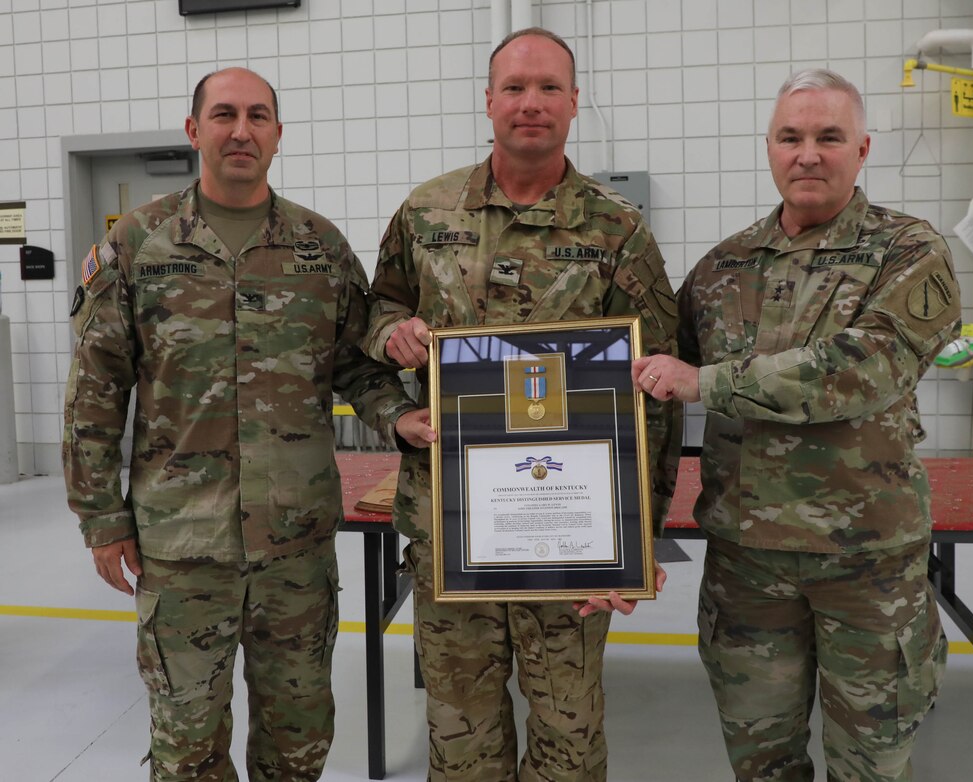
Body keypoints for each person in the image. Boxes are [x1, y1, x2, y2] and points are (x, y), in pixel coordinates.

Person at [62, 67, 414, 781]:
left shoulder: (320, 248)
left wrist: (400, 416)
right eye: (224, 114)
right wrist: (102, 519)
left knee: (299, 743)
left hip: (297, 550)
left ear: (278, 136)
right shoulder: (138, 245)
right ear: (194, 130)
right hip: (181, 548)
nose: (241, 130)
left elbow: (356, 367)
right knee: (186, 750)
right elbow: (95, 392)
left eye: (258, 116)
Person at [363, 28, 681, 782]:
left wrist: (639, 543)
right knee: (460, 740)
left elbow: (656, 398)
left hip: (573, 536)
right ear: (488, 101)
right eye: (514, 87)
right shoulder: (425, 212)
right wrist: (394, 360)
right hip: (452, 528)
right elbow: (367, 323)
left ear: (574, 102)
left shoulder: (618, 230)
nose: (530, 103)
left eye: (547, 88)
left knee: (569, 742)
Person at [632, 69, 960, 781]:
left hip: (867, 564)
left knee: (870, 766)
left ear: (862, 149)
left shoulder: (907, 251)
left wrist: (707, 382)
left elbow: (863, 368)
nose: (808, 153)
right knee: (762, 763)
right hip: (746, 567)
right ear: (770, 148)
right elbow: (647, 392)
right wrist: (625, 537)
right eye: (791, 137)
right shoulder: (724, 266)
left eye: (828, 137)